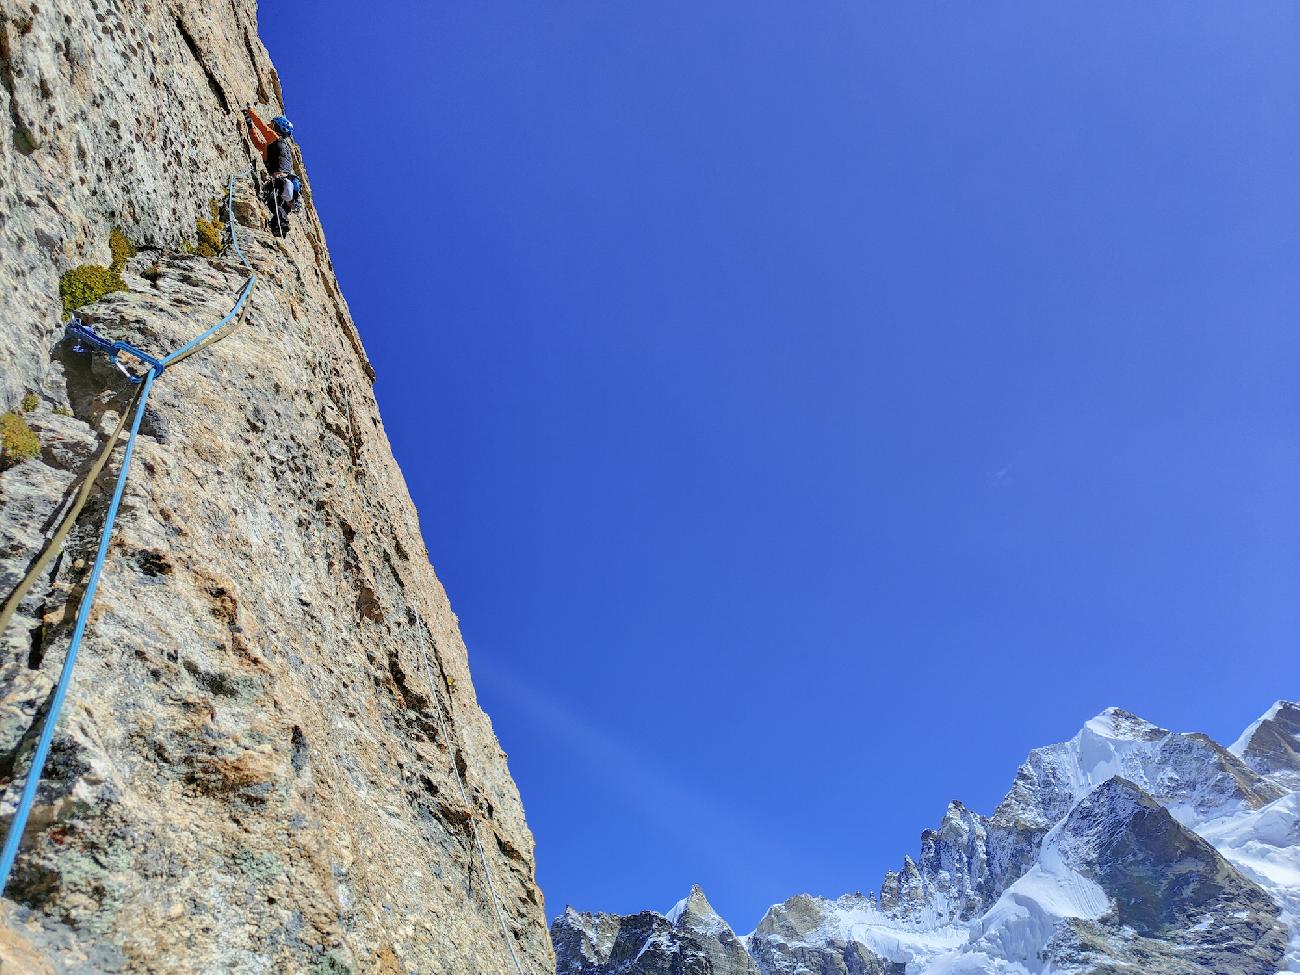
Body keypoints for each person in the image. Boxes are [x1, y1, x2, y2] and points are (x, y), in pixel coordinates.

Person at [243, 106, 301, 230]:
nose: (269, 124)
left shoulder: (275, 139)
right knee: (275, 205)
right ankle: (280, 228)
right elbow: (259, 144)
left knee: (274, 201)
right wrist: (249, 126)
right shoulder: (274, 146)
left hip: (280, 180)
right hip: (287, 184)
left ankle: (281, 226)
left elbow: (262, 126)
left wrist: (250, 112)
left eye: (272, 123)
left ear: (276, 127)